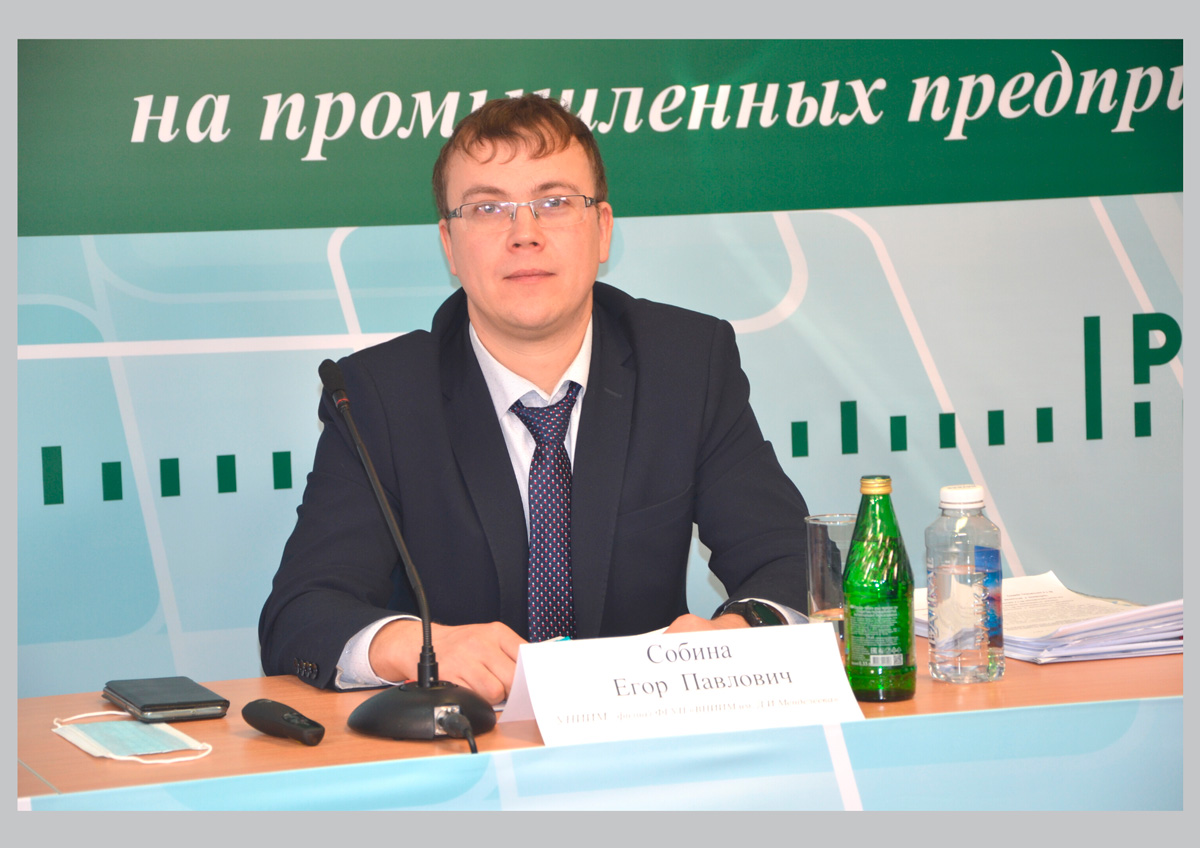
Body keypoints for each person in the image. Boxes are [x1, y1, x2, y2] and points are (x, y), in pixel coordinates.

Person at [259, 93, 810, 705]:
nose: (525, 234)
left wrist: (736, 636)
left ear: (602, 229)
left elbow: (792, 560)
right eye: (487, 208)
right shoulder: (378, 395)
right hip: (460, 741)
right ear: (449, 244)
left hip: (644, 730)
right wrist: (416, 646)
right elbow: (301, 614)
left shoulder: (686, 363)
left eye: (554, 202)